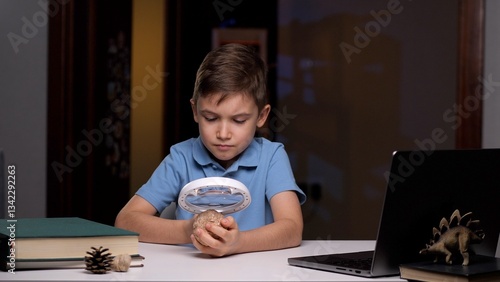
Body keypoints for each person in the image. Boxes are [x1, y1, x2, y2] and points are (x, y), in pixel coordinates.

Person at [115, 43, 306, 257]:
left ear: (262, 116)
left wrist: (238, 243)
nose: (223, 133)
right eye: (211, 118)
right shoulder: (182, 158)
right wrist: (189, 229)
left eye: (239, 120)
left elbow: (292, 229)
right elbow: (126, 221)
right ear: (195, 111)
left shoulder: (272, 157)